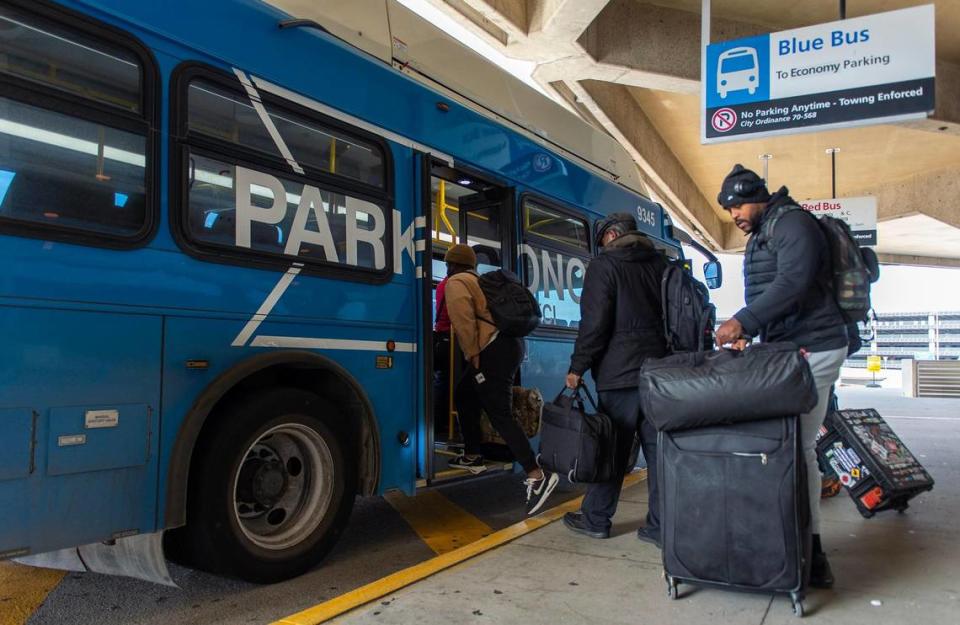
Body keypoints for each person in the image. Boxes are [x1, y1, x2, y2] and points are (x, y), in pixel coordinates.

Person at [714, 164, 848, 589]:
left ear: (758, 196)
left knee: (794, 447)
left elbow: (793, 282)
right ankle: (804, 553)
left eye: (737, 204)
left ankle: (806, 553)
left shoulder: (791, 223)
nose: (733, 214)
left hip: (815, 345)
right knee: (791, 446)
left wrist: (743, 321)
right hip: (795, 344)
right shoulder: (768, 230)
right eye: (727, 208)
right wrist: (753, 333)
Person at [562, 213, 668, 544]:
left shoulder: (605, 266)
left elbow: (594, 324)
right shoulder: (662, 266)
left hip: (619, 375)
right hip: (660, 375)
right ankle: (662, 526)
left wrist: (578, 367)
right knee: (659, 453)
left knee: (612, 450)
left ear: (610, 235)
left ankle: (596, 519)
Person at [443, 244, 559, 514]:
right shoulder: (479, 281)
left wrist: (472, 354)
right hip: (509, 345)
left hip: (491, 351)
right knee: (464, 393)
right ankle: (473, 454)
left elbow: (462, 320)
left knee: (499, 413)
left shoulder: (457, 282)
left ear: (451, 265)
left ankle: (536, 474)